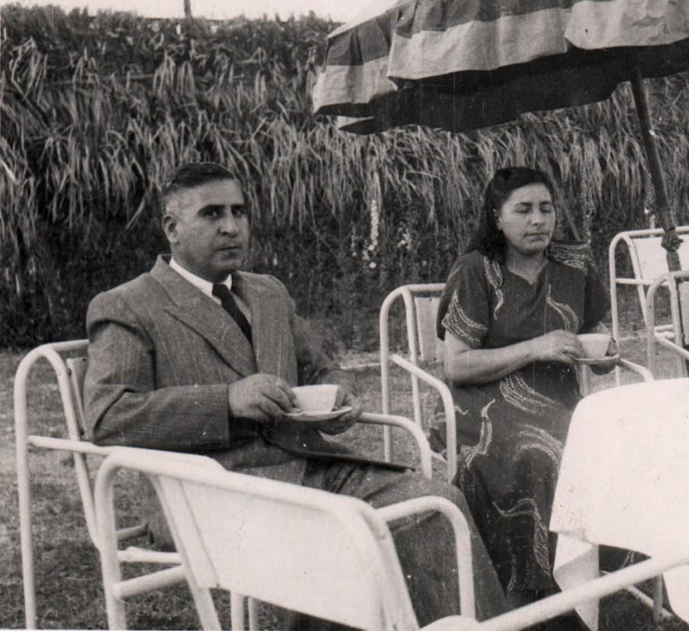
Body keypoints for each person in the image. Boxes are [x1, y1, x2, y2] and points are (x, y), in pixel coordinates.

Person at [83, 162, 508, 626]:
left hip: (313, 466)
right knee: (338, 545)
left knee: (437, 505)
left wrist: (340, 392)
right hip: (212, 493)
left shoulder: (267, 293)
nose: (231, 227)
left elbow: (322, 367)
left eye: (239, 212)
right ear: (172, 228)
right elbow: (108, 416)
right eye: (211, 214)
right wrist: (225, 401)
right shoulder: (129, 304)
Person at [434, 166, 611, 606]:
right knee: (540, 452)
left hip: (560, 399)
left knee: (613, 441)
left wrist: (603, 351)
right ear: (497, 217)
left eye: (546, 209)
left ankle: (589, 573)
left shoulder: (575, 265)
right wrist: (537, 347)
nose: (538, 220)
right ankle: (538, 592)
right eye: (524, 210)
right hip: (484, 405)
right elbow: (456, 364)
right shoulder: (476, 271)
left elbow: (593, 327)